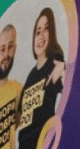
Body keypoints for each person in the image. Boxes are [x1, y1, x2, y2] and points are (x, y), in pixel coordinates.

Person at [15, 9, 66, 149]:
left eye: (46, 29)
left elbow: (67, 85)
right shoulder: (31, 74)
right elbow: (19, 117)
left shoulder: (55, 63)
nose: (41, 36)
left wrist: (62, 69)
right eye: (38, 32)